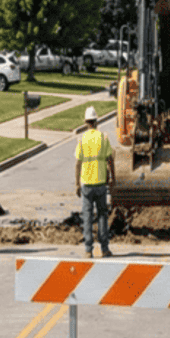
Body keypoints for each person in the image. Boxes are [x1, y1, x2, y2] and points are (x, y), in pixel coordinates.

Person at [73, 106, 115, 258]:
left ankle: (88, 250)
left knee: (88, 217)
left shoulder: (82, 139)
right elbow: (110, 160)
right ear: (96, 121)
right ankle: (104, 249)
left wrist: (77, 184)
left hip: (87, 185)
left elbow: (78, 163)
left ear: (85, 122)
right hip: (100, 184)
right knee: (103, 216)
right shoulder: (103, 138)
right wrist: (113, 179)